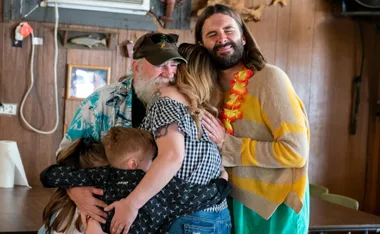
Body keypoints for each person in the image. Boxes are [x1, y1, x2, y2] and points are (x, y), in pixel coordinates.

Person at [51, 32, 187, 229]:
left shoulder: (183, 102)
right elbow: (64, 157)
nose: (169, 73)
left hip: (157, 215)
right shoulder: (102, 101)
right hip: (100, 209)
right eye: (159, 65)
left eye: (174, 64)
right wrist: (75, 189)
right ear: (136, 67)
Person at [196, 4, 310, 234]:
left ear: (244, 37)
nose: (222, 38)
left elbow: (296, 152)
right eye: (212, 34)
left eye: (229, 30)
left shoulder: (270, 78)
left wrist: (227, 144)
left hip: (276, 209)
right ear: (202, 45)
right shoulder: (206, 89)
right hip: (232, 203)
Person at [104, 43, 231, 234]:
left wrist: (131, 204)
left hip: (187, 218)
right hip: (216, 216)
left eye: (173, 64)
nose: (168, 71)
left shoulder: (166, 101)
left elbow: (172, 156)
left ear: (182, 69)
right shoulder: (200, 109)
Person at [41, 127, 230, 234]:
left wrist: (70, 186)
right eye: (152, 159)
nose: (155, 164)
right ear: (133, 163)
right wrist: (222, 182)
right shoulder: (154, 187)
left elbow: (50, 175)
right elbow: (195, 196)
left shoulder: (103, 176)